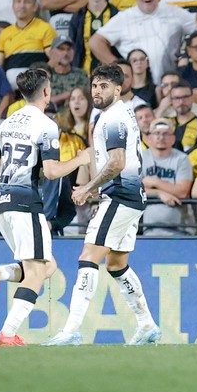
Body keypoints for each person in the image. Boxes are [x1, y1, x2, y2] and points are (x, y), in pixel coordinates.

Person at [44, 64, 161, 346]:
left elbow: (117, 162)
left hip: (120, 197)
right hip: (130, 197)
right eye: (95, 86)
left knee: (88, 257)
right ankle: (147, 325)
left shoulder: (113, 119)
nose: (97, 91)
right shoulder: (117, 114)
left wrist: (88, 187)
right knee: (117, 265)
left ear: (118, 89)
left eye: (104, 86)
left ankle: (71, 330)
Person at [0, 69, 91, 346]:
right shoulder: (46, 125)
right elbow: (51, 172)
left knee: (47, 267)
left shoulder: (6, 123)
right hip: (26, 205)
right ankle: (7, 333)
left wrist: (2, 191)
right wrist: (81, 159)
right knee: (38, 273)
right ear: (47, 92)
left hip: (2, 205)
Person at [91, 0, 197, 80]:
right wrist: (119, 69)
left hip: (171, 81)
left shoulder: (174, 12)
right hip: (139, 83)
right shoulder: (124, 17)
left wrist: (187, 56)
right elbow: (95, 42)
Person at [141, 118, 193, 236]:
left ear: (173, 139)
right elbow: (134, 189)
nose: (161, 137)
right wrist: (159, 193)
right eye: (157, 133)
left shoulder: (182, 159)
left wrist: (154, 181)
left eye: (166, 134)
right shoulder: (141, 158)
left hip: (180, 229)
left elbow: (182, 191)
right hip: (149, 230)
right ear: (149, 138)